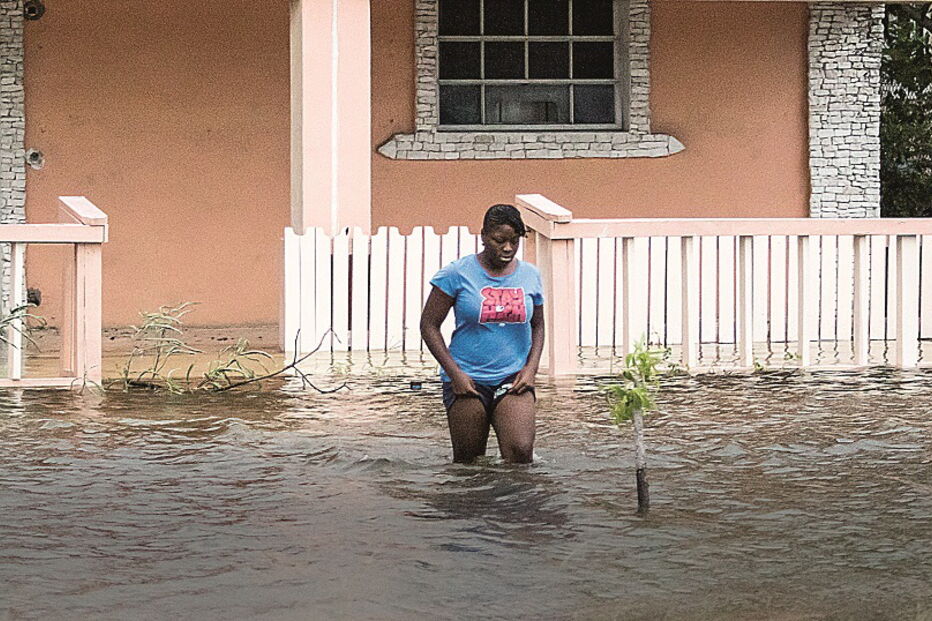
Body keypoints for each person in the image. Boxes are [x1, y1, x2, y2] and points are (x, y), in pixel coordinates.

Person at [420, 204, 545, 464]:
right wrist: (455, 374)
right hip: (467, 378)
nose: (508, 248)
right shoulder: (456, 274)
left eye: (514, 241)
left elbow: (538, 325)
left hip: (513, 377)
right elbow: (429, 325)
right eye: (500, 241)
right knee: (469, 463)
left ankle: (517, 504)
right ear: (484, 236)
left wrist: (531, 369)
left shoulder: (530, 276)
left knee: (521, 453)